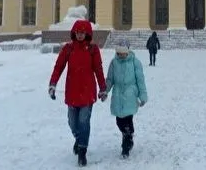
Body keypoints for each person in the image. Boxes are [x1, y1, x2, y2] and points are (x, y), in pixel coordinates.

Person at [48, 19, 107, 167]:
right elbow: (58, 67)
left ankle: (82, 152)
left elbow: (98, 69)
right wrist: (53, 84)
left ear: (87, 34)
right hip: (72, 92)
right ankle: (79, 138)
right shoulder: (68, 49)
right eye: (78, 32)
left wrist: (103, 88)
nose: (80, 35)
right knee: (72, 123)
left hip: (87, 93)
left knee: (83, 122)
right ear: (74, 33)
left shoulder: (93, 50)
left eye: (83, 33)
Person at [105, 38, 147, 158]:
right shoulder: (114, 62)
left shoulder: (135, 62)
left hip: (130, 95)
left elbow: (140, 80)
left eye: (123, 53)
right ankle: (128, 134)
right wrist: (105, 91)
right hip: (118, 95)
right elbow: (110, 79)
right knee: (119, 121)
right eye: (119, 53)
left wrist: (142, 96)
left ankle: (125, 146)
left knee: (128, 119)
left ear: (128, 51)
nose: (121, 55)